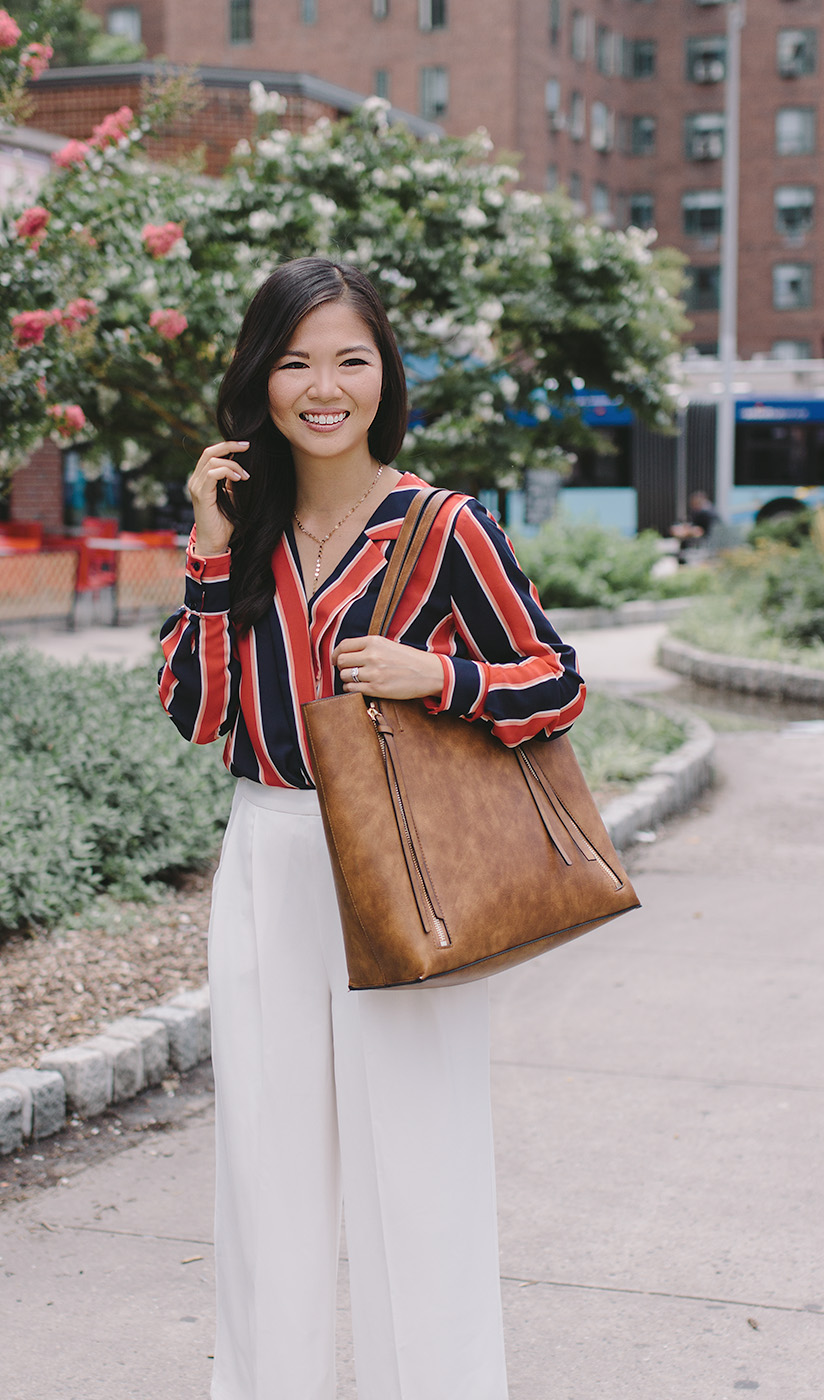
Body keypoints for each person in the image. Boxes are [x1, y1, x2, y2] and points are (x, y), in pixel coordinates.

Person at [158, 257, 586, 1400]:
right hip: (268, 855)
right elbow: (199, 715)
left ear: (384, 372)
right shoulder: (243, 528)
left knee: (420, 1170)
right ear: (263, 377)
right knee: (268, 1172)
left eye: (349, 358)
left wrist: (433, 673)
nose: (322, 385)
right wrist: (205, 547)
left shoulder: (442, 526)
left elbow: (553, 681)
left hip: (401, 863)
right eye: (295, 360)